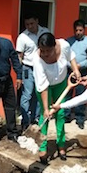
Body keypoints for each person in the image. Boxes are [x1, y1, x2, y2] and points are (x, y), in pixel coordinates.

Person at [33, 32, 81, 164]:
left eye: (48, 50)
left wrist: (75, 70)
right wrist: (46, 109)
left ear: (54, 47)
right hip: (45, 89)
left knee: (60, 114)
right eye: (42, 50)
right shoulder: (37, 60)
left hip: (61, 84)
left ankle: (61, 145)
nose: (45, 54)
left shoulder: (64, 45)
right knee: (45, 116)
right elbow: (43, 87)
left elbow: (71, 56)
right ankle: (42, 147)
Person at [16, 14, 49, 131]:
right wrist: (19, 75)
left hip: (42, 67)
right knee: (27, 94)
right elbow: (19, 56)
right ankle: (25, 121)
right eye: (27, 24)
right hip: (28, 68)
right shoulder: (23, 37)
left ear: (37, 21)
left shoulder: (45, 32)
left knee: (39, 92)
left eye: (32, 23)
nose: (30, 26)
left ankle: (35, 117)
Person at [64, 19, 87, 129]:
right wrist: (72, 66)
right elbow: (65, 57)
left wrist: (79, 66)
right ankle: (66, 116)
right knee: (67, 93)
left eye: (80, 30)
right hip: (69, 71)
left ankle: (80, 118)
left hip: (82, 71)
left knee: (80, 94)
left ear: (84, 30)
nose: (78, 32)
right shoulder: (68, 41)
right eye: (76, 30)